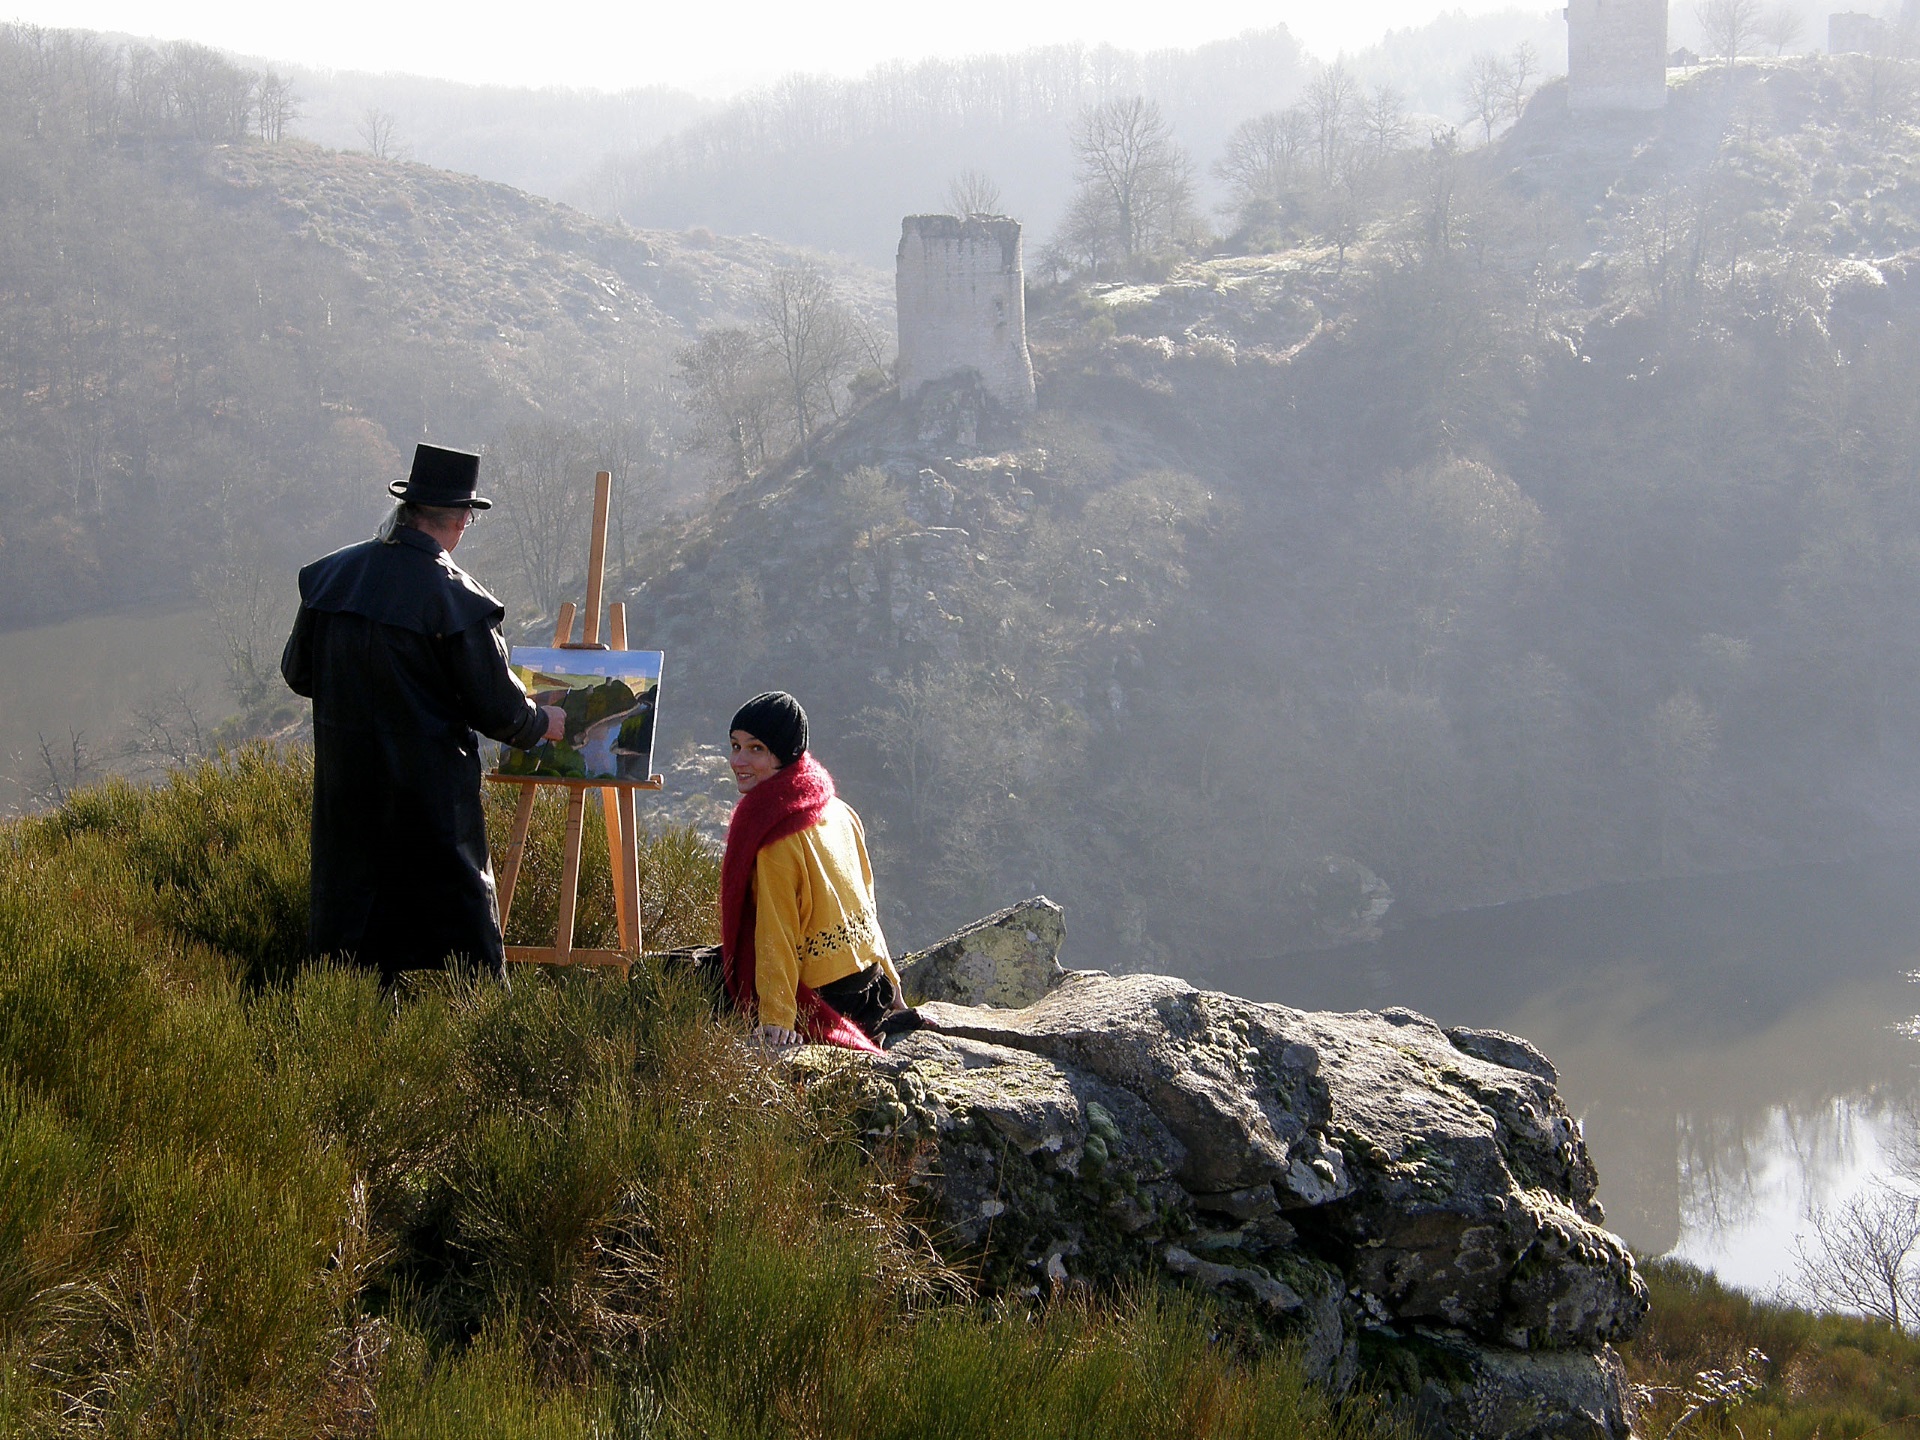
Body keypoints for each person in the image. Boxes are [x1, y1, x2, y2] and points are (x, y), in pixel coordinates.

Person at [280, 443, 565, 982]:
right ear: (461, 521)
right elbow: (498, 709)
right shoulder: (455, 597)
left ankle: (353, 1045)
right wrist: (539, 722)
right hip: (429, 801)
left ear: (407, 509)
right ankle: (486, 1043)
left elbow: (299, 674)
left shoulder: (331, 579)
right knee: (466, 940)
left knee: (352, 938)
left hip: (348, 793)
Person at [719, 691, 908, 1051]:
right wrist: (894, 985)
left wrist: (776, 1020)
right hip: (872, 991)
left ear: (785, 753)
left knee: (669, 973)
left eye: (756, 748)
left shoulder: (775, 840)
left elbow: (776, 935)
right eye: (735, 745)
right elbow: (868, 904)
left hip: (824, 1001)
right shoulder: (838, 809)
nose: (737, 760)